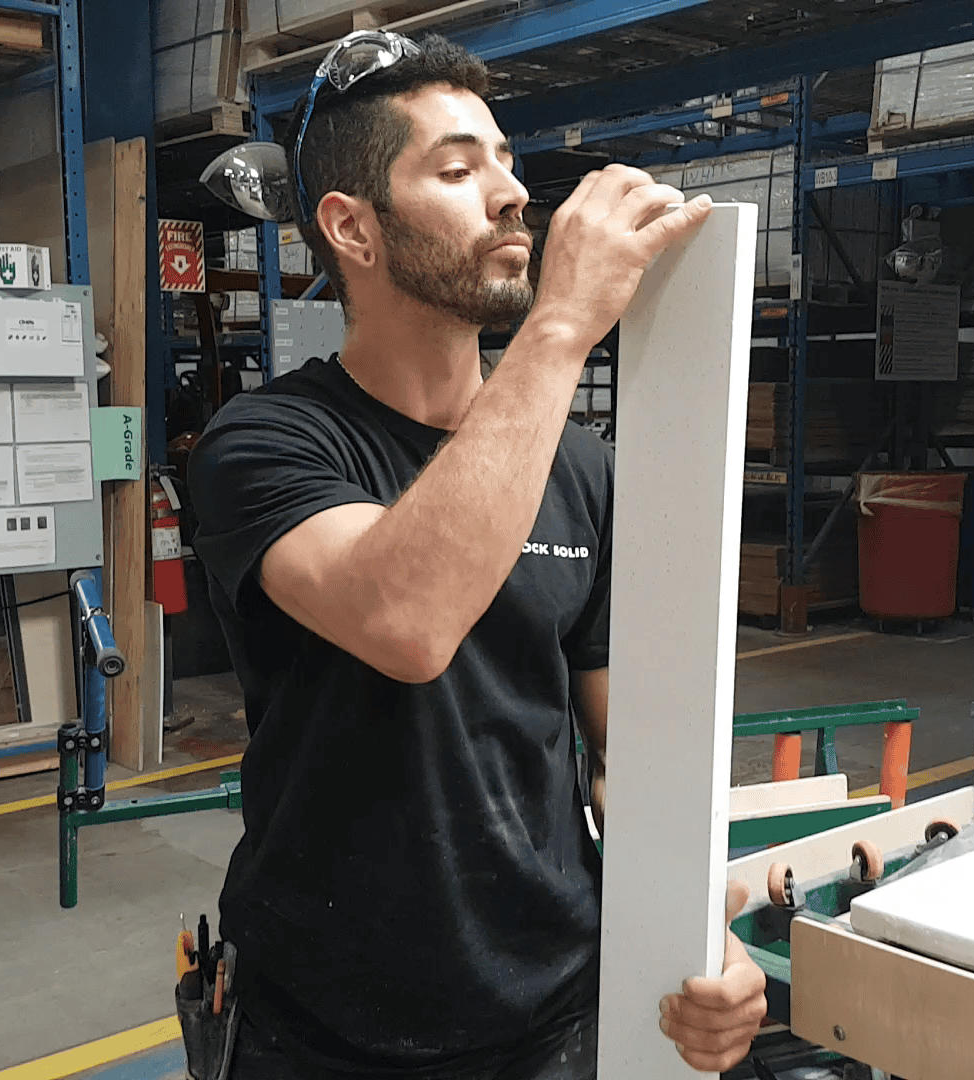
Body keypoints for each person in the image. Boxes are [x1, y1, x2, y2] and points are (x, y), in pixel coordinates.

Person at [190, 30, 767, 1079]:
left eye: (506, 162)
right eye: (457, 169)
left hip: (554, 1012)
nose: (511, 196)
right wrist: (561, 325)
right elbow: (407, 621)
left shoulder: (580, 466)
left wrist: (701, 938)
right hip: (322, 1034)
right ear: (352, 229)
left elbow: (630, 756)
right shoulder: (267, 444)